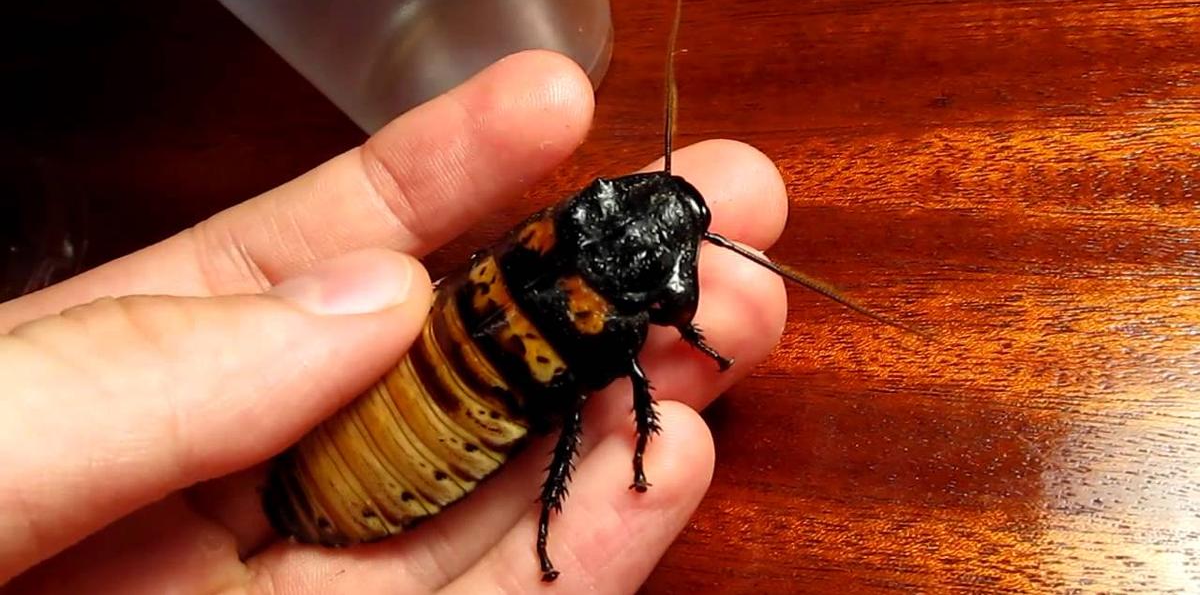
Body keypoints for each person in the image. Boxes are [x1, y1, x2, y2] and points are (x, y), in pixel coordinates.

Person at [0, 51, 788, 594]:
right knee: (584, 401)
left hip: (435, 400)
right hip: (404, 420)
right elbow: (639, 360)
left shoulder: (570, 249)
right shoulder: (632, 320)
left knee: (582, 399)